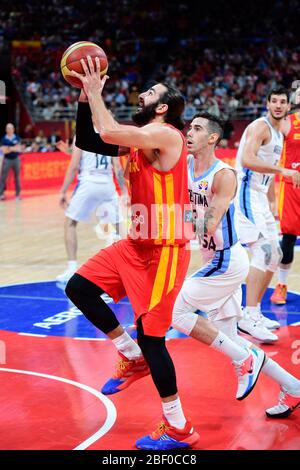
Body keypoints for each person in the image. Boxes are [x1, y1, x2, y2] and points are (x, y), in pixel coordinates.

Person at [64, 57, 263, 450]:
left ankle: (179, 427)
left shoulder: (168, 135)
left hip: (165, 251)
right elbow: (91, 139)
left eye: (149, 93)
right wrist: (84, 99)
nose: (140, 94)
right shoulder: (135, 141)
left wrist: (94, 90)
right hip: (134, 244)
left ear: (161, 108)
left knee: (153, 338)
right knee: (78, 288)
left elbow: (106, 128)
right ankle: (128, 354)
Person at [171, 112, 300, 419]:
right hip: (211, 257)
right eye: (190, 127)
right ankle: (293, 386)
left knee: (176, 312)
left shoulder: (224, 175)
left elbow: (209, 223)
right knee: (231, 338)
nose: (189, 132)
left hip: (226, 260)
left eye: (198, 129)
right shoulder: (186, 166)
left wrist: (175, 220)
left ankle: (244, 360)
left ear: (213, 138)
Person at [235, 87, 300, 342]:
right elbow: (248, 160)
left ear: (287, 106)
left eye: (282, 102)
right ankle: (247, 317)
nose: (278, 105)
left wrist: (272, 201)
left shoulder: (278, 133)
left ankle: (255, 312)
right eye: (274, 101)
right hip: (247, 192)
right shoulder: (260, 127)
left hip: (261, 196)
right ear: (267, 103)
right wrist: (283, 171)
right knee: (264, 252)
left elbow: (269, 173)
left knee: (276, 255)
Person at [56, 139, 125, 283]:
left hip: (88, 182)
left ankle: (71, 268)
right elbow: (117, 167)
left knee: (70, 223)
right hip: (107, 184)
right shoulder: (109, 132)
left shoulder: (82, 132)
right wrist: (125, 192)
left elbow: (75, 165)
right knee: (120, 227)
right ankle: (129, 267)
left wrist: (62, 191)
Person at [271, 86, 300, 304]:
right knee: (288, 239)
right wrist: (270, 197)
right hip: (291, 187)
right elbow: (270, 157)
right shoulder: (287, 122)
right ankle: (280, 285)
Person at [0, 123, 22, 200]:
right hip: (7, 159)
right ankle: (1, 194)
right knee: (3, 177)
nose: (9, 130)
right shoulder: (3, 139)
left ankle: (18, 194)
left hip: (16, 159)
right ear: (6, 130)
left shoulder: (17, 138)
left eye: (11, 128)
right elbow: (3, 150)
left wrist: (8, 148)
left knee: (17, 177)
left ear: (13, 129)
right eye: (8, 128)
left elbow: (19, 149)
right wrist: (13, 148)